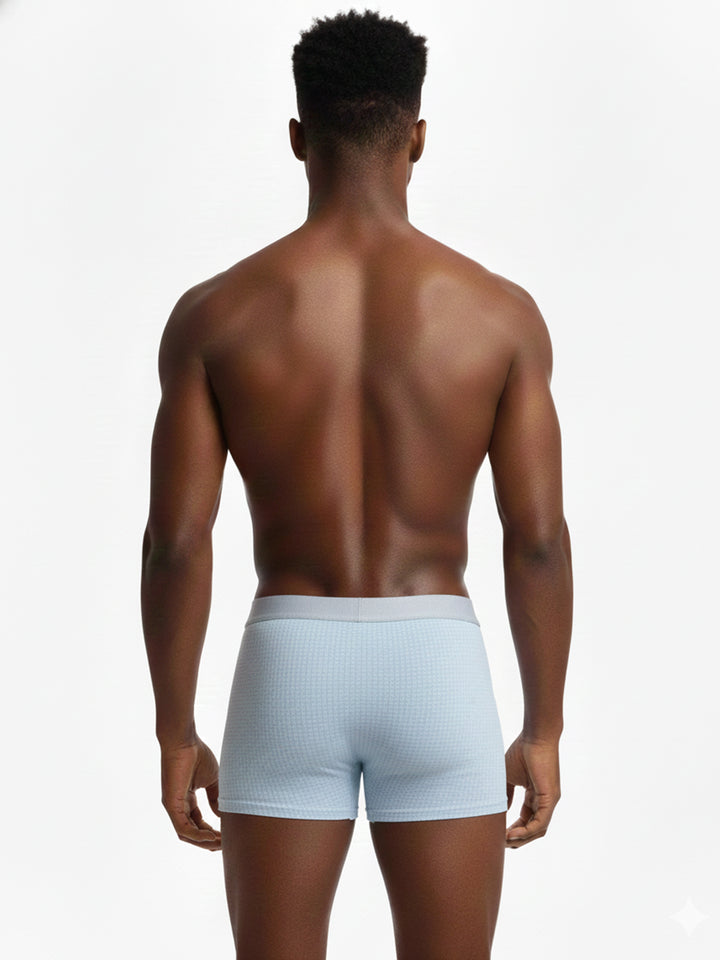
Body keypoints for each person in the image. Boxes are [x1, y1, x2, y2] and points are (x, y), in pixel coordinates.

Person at [141, 9, 573, 959]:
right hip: (437, 666)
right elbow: (537, 537)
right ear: (417, 136)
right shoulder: (500, 315)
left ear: (299, 137)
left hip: (288, 664)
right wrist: (543, 727)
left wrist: (176, 731)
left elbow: (177, 543)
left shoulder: (215, 315)